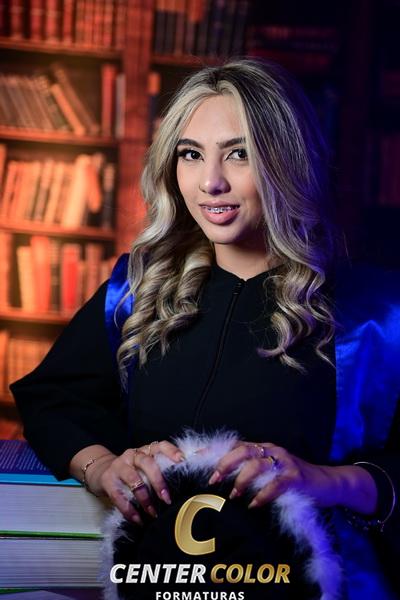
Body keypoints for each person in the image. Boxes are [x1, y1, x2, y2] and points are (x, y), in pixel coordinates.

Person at [11, 58, 399, 599]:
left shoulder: (377, 316)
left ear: (288, 161)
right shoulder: (135, 292)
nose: (211, 182)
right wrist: (102, 467)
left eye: (240, 154)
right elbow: (52, 399)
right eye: (191, 154)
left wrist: (321, 479)